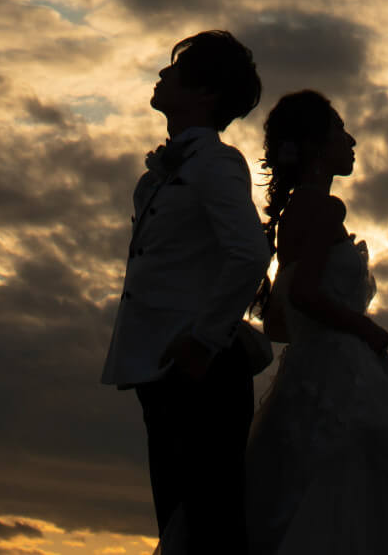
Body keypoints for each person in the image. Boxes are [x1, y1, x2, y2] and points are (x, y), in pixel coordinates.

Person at [245, 90, 388, 555]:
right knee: (360, 496)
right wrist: (364, 329)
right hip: (339, 375)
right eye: (340, 130)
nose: (351, 141)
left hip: (305, 373)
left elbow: (278, 323)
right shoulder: (322, 208)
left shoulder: (295, 212)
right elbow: (303, 295)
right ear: (316, 145)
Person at [101, 31, 271, 555]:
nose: (162, 74)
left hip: (198, 370)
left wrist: (203, 340)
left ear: (205, 93)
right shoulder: (167, 171)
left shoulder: (216, 163)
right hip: (163, 369)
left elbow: (249, 252)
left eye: (174, 70)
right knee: (180, 525)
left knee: (210, 529)